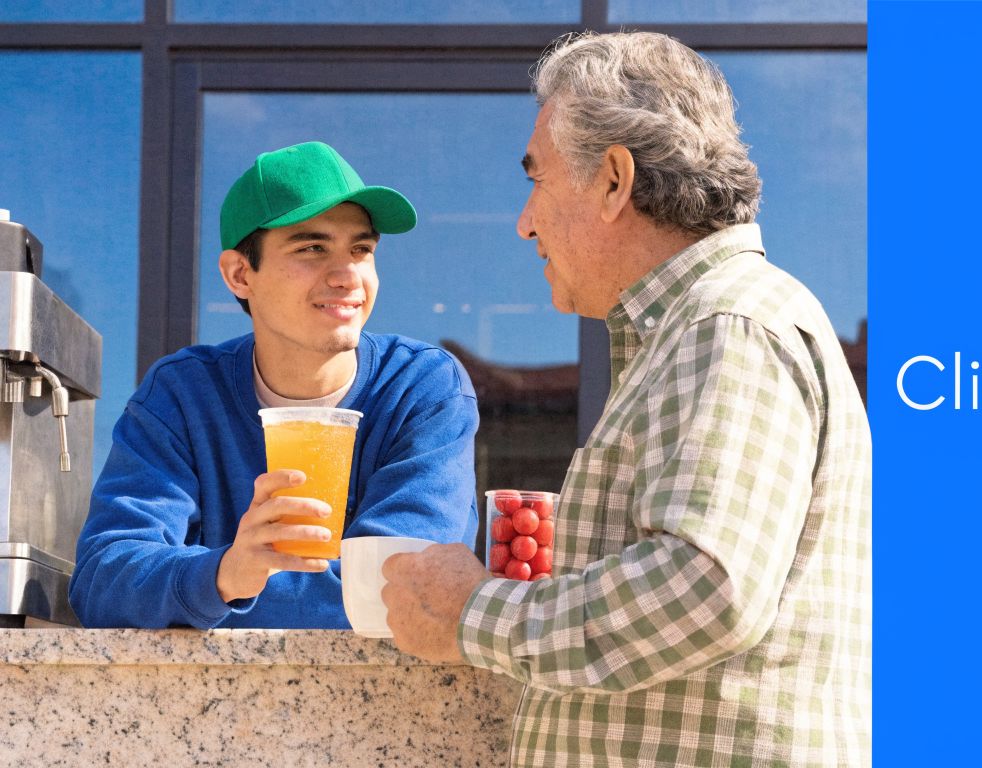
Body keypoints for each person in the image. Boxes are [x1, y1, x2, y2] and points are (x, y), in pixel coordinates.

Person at [381, 32, 872, 766]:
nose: (524, 222)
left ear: (614, 180)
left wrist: (472, 612)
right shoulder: (701, 329)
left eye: (536, 180)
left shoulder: (725, 325)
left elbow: (706, 586)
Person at [71, 141, 479, 629]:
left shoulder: (423, 388)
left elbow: (403, 588)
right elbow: (103, 582)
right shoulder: (182, 394)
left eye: (362, 249)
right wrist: (227, 572)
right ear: (241, 274)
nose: (348, 275)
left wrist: (205, 590)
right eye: (312, 248)